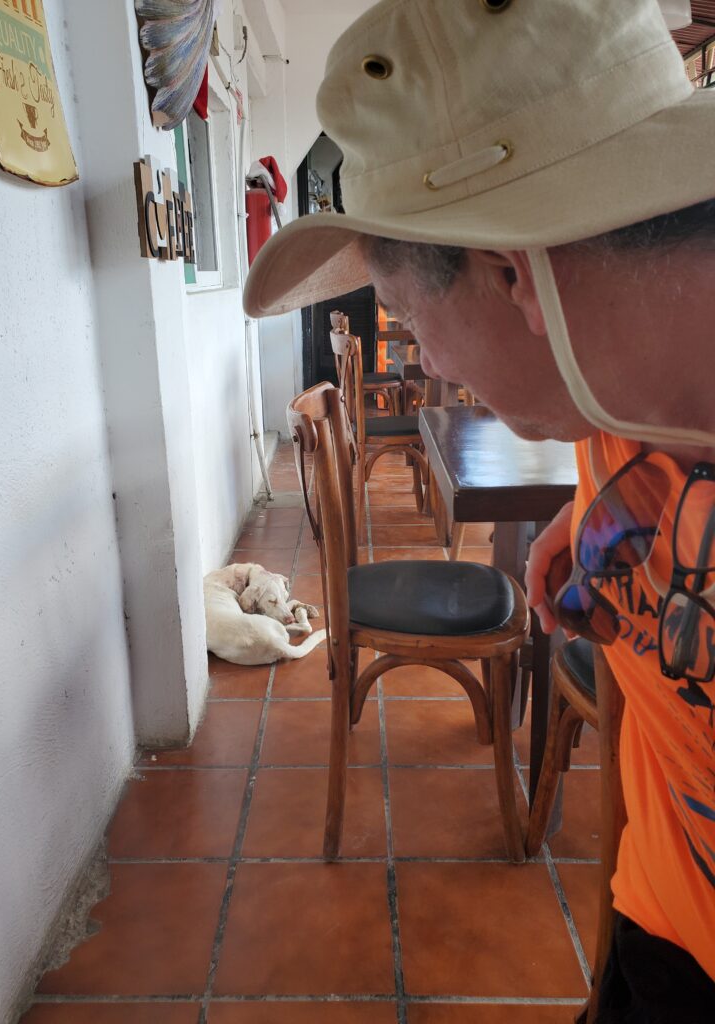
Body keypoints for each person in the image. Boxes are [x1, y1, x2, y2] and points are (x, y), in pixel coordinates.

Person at [243, 1, 715, 1020]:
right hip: (655, 918)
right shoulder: (611, 389)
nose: (430, 364)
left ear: (514, 272)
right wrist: (586, 520)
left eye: (411, 317)